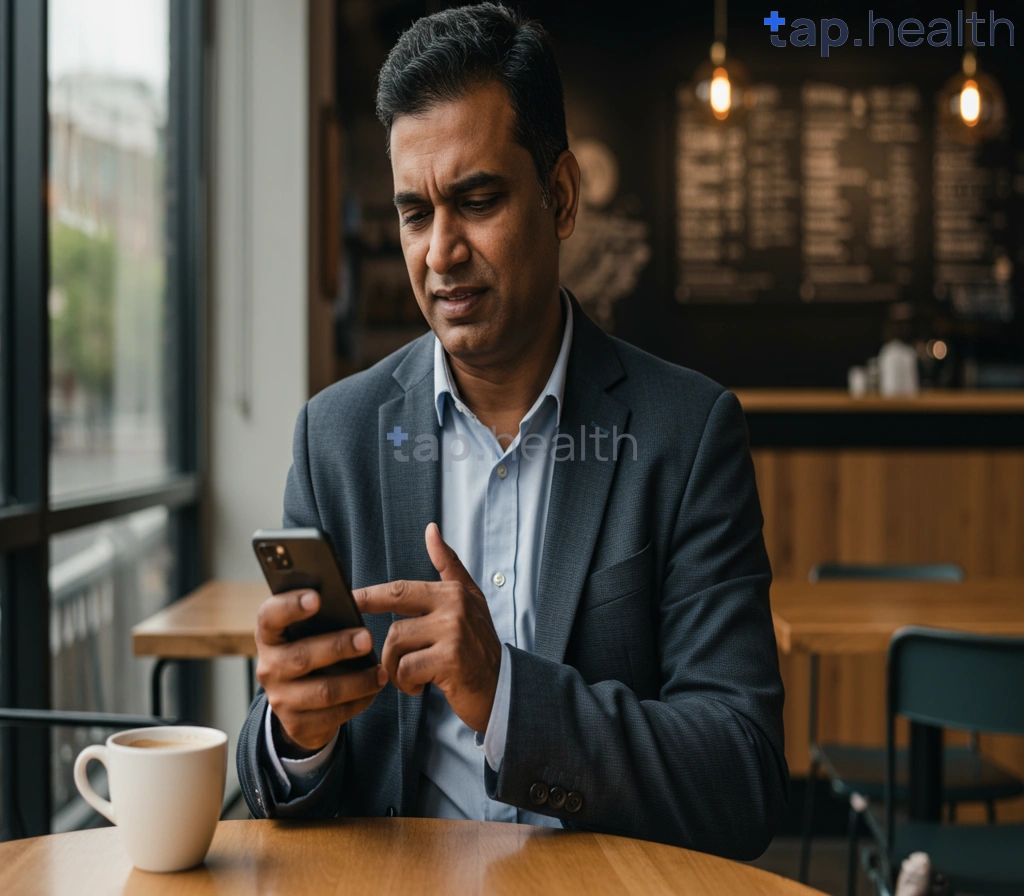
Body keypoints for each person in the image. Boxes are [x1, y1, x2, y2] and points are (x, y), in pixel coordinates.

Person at [237, 2, 788, 858]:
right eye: (416, 213)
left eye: (477, 200)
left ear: (560, 198)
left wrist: (505, 696)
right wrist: (294, 737)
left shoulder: (686, 434)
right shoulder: (334, 437)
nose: (441, 251)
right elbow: (279, 770)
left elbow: (742, 777)